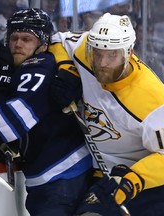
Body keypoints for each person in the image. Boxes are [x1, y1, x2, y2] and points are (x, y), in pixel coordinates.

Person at [49, 12, 164, 215]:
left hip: (144, 180)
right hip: (102, 175)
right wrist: (66, 67)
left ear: (129, 52)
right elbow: (57, 39)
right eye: (98, 53)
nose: (102, 63)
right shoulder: (85, 50)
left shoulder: (153, 100)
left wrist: (133, 180)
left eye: (112, 55)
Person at [0, 8, 92, 216]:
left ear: (42, 45)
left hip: (60, 178)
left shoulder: (38, 67)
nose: (17, 45)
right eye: (14, 38)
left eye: (26, 39)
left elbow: (4, 127)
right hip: (59, 176)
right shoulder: (29, 66)